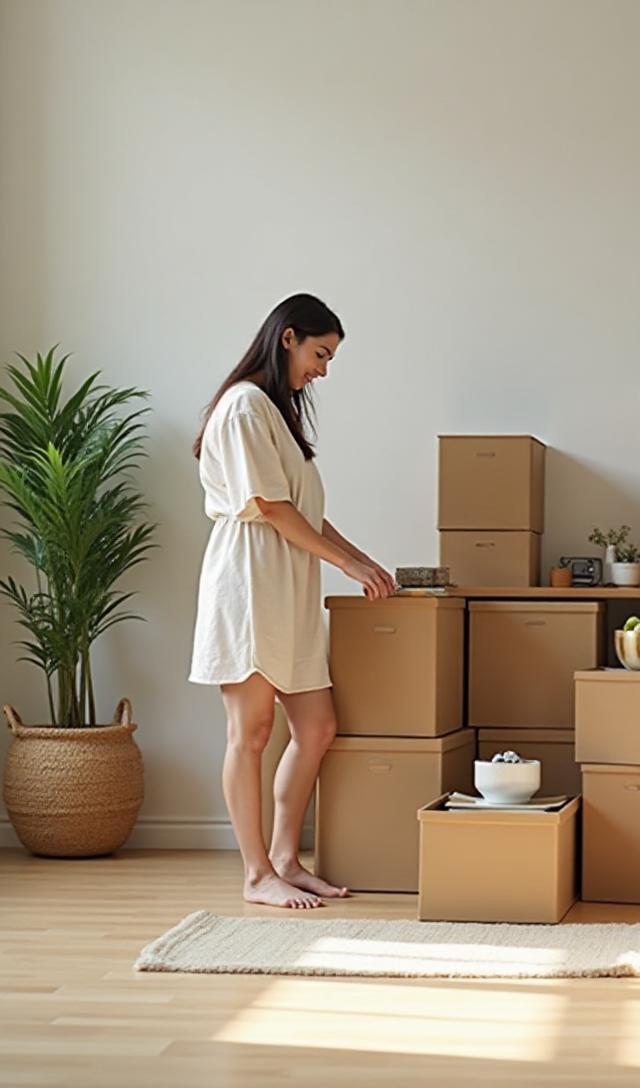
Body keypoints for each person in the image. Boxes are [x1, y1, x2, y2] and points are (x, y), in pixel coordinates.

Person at [189, 293, 396, 908]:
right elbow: (271, 510)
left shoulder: (275, 416)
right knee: (249, 733)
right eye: (320, 353)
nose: (323, 370)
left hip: (289, 585)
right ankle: (256, 875)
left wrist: (362, 560)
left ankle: (284, 857)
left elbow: (305, 512)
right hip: (249, 581)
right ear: (288, 338)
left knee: (317, 726)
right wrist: (344, 563)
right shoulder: (245, 405)